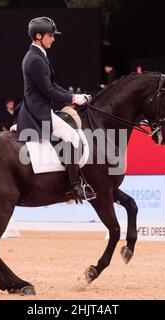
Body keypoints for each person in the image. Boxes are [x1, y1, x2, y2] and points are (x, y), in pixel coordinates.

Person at [16, 16, 96, 201]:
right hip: (37, 111)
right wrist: (73, 98)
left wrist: (76, 96)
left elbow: (52, 84)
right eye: (50, 35)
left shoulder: (39, 55)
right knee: (72, 137)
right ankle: (75, 187)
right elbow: (49, 91)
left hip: (39, 107)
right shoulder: (34, 59)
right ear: (38, 36)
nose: (53, 38)